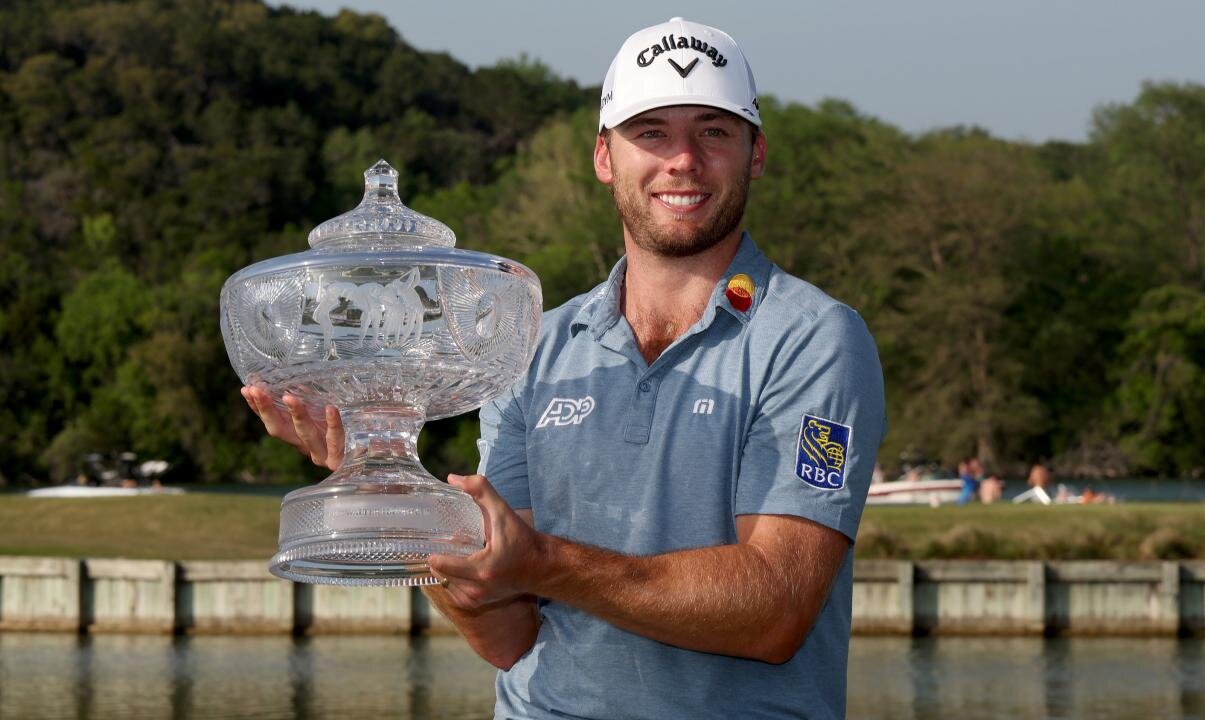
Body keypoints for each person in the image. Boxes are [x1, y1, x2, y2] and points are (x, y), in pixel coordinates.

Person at [245, 17, 885, 719]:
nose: (682, 161)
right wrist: (393, 493)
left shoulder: (813, 338)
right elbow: (507, 635)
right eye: (651, 133)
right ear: (605, 157)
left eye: (713, 131)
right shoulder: (530, 344)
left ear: (755, 154)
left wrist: (542, 560)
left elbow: (776, 611)